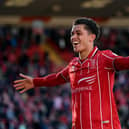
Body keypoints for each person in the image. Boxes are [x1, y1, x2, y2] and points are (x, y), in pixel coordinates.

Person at [13, 17, 129, 129]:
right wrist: (35, 82)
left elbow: (125, 62)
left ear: (91, 37)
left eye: (78, 33)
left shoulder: (105, 58)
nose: (73, 37)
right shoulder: (73, 64)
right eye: (72, 34)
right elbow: (57, 78)